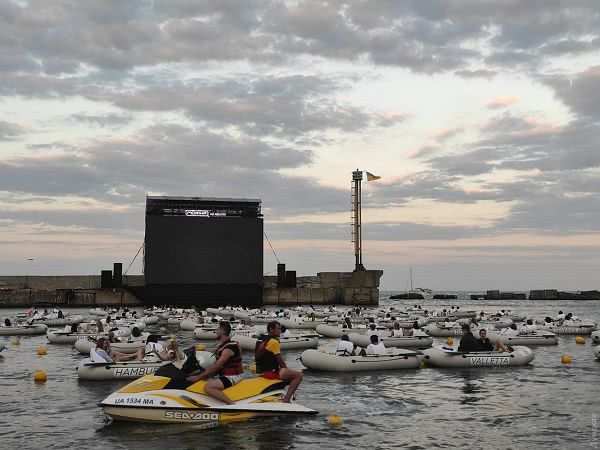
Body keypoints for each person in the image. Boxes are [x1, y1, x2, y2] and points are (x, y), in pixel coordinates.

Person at [186, 322, 243, 405]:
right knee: (203, 379)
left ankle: (232, 405)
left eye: (217, 330)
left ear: (222, 332)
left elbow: (217, 366)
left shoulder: (229, 348)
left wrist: (198, 377)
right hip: (226, 374)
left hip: (233, 376)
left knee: (208, 387)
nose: (216, 332)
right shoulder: (224, 345)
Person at [254, 321, 303, 403]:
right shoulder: (274, 342)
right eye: (278, 329)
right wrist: (287, 371)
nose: (280, 330)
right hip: (270, 373)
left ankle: (277, 393)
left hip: (260, 371)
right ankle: (287, 399)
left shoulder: (260, 340)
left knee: (289, 373)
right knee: (299, 376)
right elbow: (281, 361)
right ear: (271, 329)